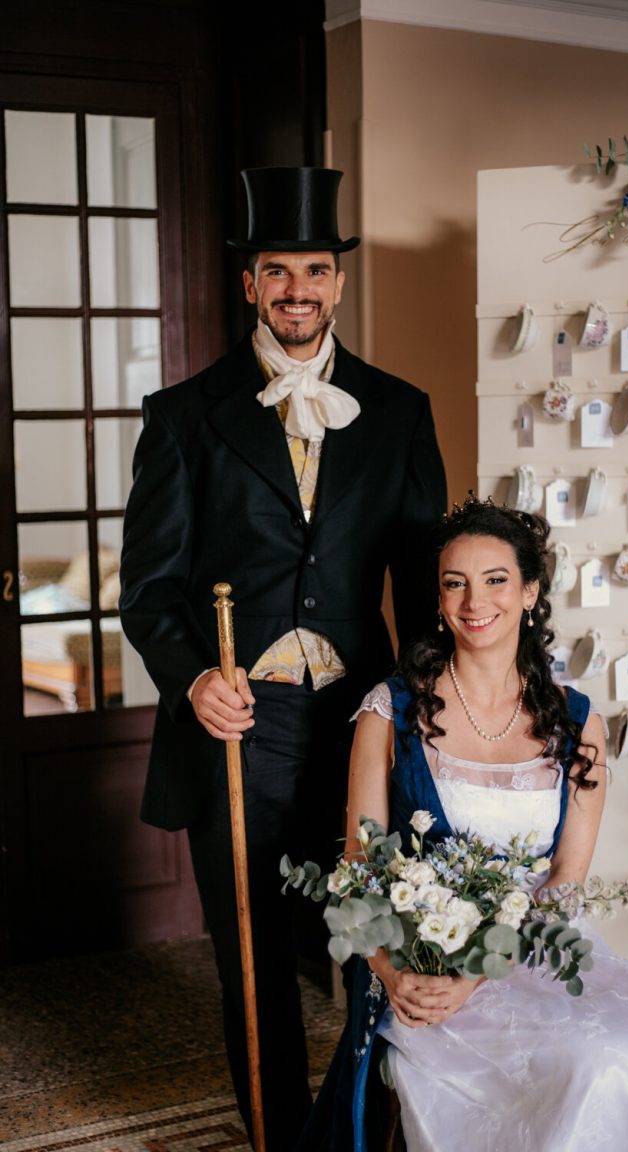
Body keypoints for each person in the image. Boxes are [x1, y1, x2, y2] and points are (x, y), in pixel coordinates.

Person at [119, 166, 446, 1151]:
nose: (297, 289)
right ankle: (274, 1136)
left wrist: (436, 707)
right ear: (252, 284)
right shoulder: (186, 415)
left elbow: (426, 583)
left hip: (362, 726)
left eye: (315, 270)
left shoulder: (399, 411)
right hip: (243, 728)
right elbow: (148, 590)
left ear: (338, 283)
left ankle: (359, 1128)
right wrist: (192, 677)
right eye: (277, 271)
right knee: (253, 956)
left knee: (370, 947)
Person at [299, 495, 628, 1152]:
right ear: (437, 599)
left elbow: (567, 879)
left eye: (495, 580)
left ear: (530, 591)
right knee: (585, 1070)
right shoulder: (389, 712)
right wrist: (391, 972)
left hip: (538, 947)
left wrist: (484, 969)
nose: (473, 601)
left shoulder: (579, 723)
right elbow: (356, 869)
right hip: (424, 958)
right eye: (454, 583)